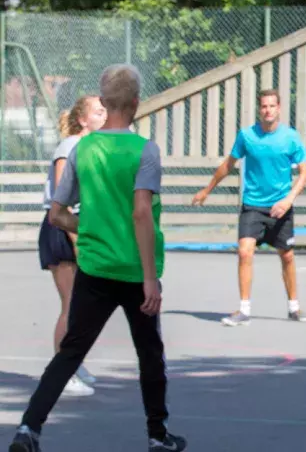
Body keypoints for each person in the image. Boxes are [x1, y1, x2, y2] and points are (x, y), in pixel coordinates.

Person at [10, 64, 187, 452]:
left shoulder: (82, 148)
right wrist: (150, 277)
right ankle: (158, 435)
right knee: (150, 354)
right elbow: (141, 212)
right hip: (133, 269)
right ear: (136, 103)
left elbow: (57, 214)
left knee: (71, 352)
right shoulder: (144, 150)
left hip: (94, 268)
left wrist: (90, 228)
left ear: (104, 102)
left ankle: (28, 429)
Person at [192, 89, 306, 326]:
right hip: (253, 206)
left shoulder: (290, 137)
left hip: (280, 207)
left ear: (279, 108)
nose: (268, 110)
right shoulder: (246, 136)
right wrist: (207, 189)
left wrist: (288, 200)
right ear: (260, 109)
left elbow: (304, 172)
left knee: (287, 256)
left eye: (272, 106)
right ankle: (244, 310)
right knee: (244, 252)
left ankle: (294, 308)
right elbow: (228, 165)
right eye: (264, 106)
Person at [38, 95, 107, 397]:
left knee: (82, 306)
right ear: (83, 120)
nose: (104, 115)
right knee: (70, 305)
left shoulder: (94, 148)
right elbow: (61, 200)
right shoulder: (70, 147)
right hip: (62, 227)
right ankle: (61, 376)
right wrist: (78, 241)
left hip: (80, 226)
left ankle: (73, 363)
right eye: (98, 111)